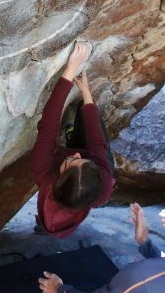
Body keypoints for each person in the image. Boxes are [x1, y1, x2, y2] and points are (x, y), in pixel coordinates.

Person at [30, 41, 115, 238]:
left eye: (71, 160)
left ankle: (71, 135)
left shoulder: (42, 171)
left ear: (58, 179)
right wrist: (86, 93)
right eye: (82, 159)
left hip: (68, 178)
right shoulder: (102, 188)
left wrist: (70, 70)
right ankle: (74, 133)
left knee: (77, 137)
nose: (76, 154)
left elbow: (48, 127)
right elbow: (96, 143)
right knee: (87, 117)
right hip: (91, 167)